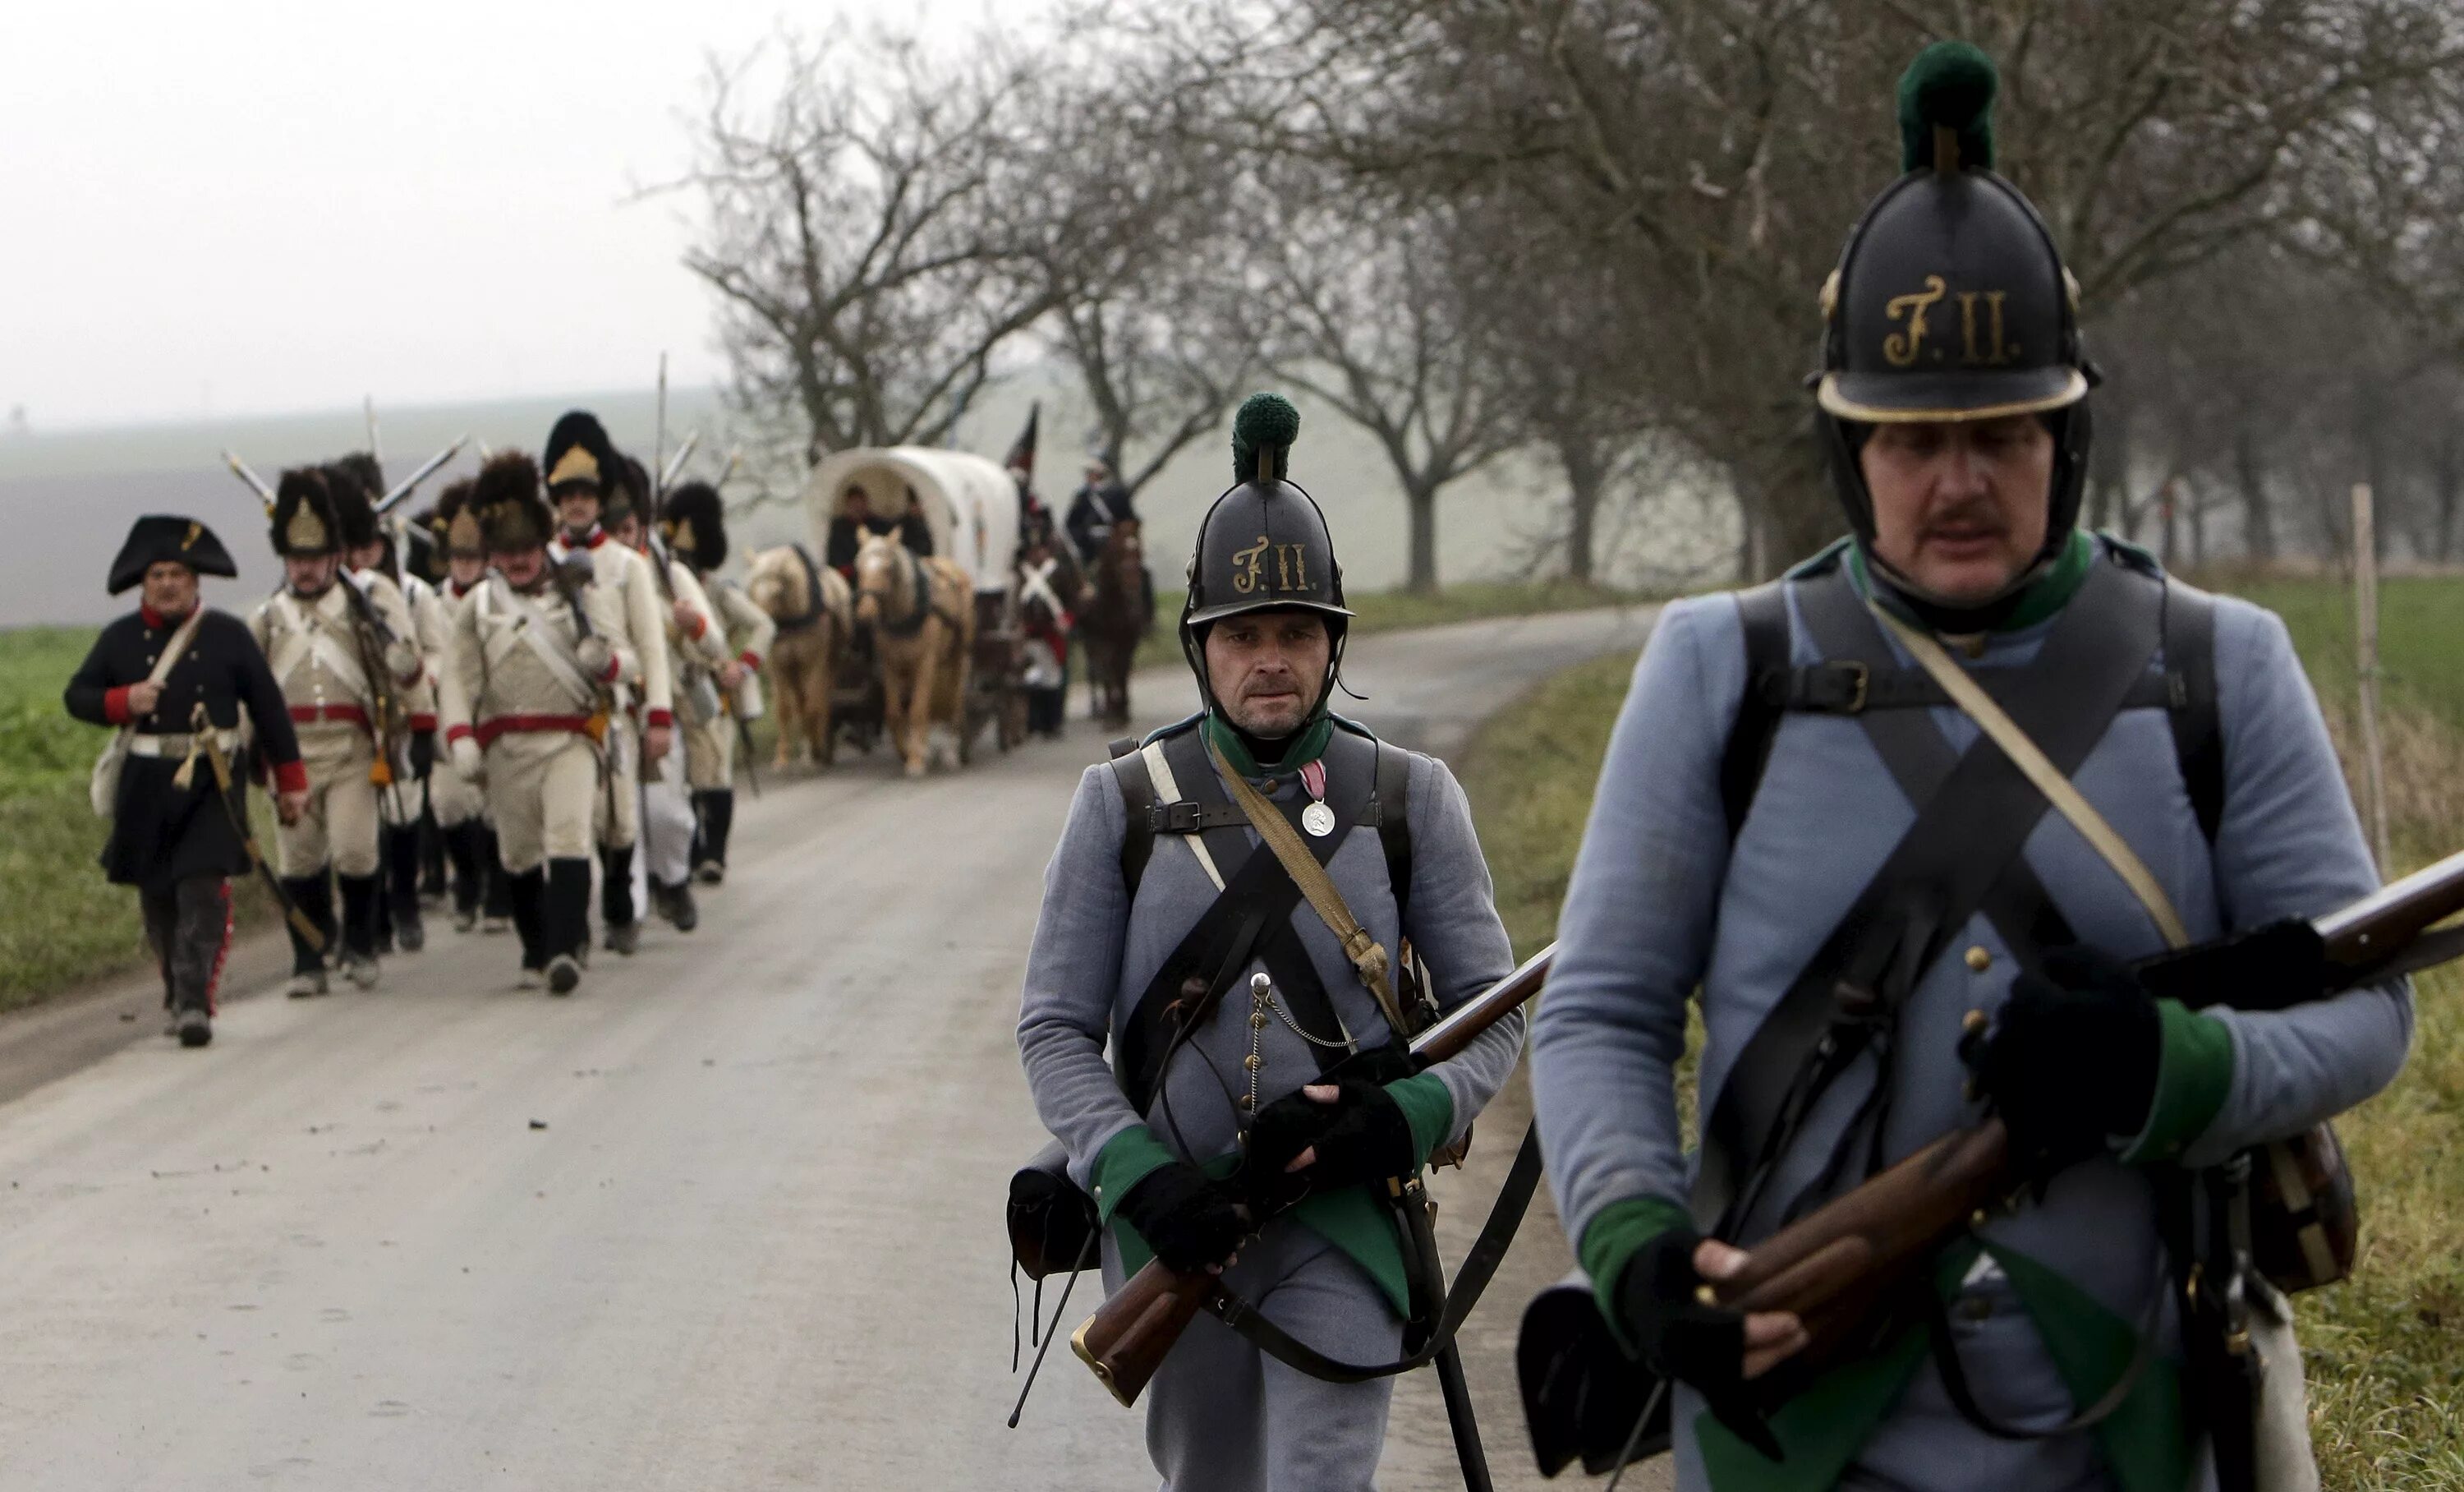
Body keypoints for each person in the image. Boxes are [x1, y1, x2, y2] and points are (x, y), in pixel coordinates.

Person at [1523, 44, 2413, 1491]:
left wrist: (2169, 1067)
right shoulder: (1719, 666)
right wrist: (1631, 1243)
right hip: (1789, 1420)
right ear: (1847, 448)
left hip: (2126, 1421)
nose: (1956, 481)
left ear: (2066, 441)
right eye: (1912, 439)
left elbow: (2365, 1013)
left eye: (2001, 434)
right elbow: (1606, 1010)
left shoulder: (2222, 665)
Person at [1018, 394, 1526, 1491]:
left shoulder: (1410, 800)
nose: (1271, 659)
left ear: (1333, 641)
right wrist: (1138, 1177)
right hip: (1172, 1229)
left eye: (1296, 632)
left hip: (1346, 1220)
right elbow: (1055, 1031)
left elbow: (1494, 1008)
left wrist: (1409, 1114)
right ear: (1202, 648)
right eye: (1243, 636)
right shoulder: (1121, 803)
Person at [64, 516, 307, 1048]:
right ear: (144, 583)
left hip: (213, 782)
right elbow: (77, 696)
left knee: (203, 886)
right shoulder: (119, 639)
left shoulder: (228, 635)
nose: (168, 583)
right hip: (146, 785)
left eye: (178, 573)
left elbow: (269, 711)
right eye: (158, 575)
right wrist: (120, 701)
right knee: (158, 897)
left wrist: (290, 782)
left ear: (196, 580)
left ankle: (196, 999)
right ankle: (176, 990)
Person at [439, 450, 638, 995]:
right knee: (519, 854)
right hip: (505, 748)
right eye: (507, 552)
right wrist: (460, 738)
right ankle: (535, 946)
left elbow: (629, 658)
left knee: (569, 837)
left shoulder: (580, 591)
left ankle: (564, 949)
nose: (520, 561)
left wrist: (608, 663)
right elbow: (456, 680)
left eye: (527, 550)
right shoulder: (476, 608)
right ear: (493, 556)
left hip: (571, 739)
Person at [249, 468, 422, 996]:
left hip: (353, 752)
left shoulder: (363, 609)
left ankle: (362, 946)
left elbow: (403, 669)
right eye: (296, 560)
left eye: (314, 558)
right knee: (299, 860)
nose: (304, 570)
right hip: (291, 759)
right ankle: (309, 957)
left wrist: (420, 728)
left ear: (334, 556)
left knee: (354, 851)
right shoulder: (267, 620)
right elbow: (248, 694)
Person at [540, 412, 673, 958]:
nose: (576, 504)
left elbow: (651, 648)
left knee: (619, 823)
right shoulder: (538, 564)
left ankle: (620, 903)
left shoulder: (626, 566)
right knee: (573, 826)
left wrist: (658, 715)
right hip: (561, 715)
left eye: (585, 494)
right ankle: (570, 930)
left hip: (614, 710)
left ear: (599, 499)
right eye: (566, 494)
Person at [608, 458, 728, 929]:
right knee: (622, 819)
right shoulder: (592, 576)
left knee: (664, 814)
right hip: (614, 713)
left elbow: (715, 644)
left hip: (664, 708)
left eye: (627, 527)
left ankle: (673, 880)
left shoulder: (671, 576)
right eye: (612, 528)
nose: (621, 537)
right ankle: (629, 909)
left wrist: (692, 623)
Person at [329, 454, 435, 956]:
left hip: (387, 716)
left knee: (402, 813)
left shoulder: (388, 588)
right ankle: (368, 924)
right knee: (355, 836)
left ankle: (405, 904)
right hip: (342, 725)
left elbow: (410, 654)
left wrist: (421, 720)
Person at [660, 479, 775, 885]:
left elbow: (762, 625)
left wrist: (742, 667)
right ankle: (689, 853)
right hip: (674, 689)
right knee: (681, 779)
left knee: (714, 774)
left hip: (713, 690)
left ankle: (715, 855)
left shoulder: (720, 593)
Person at [418, 479, 508, 934]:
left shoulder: (501, 602)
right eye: (459, 558)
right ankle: (467, 880)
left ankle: (498, 890)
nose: (466, 566)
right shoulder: (430, 603)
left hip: (493, 713)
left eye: (474, 558)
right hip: (447, 716)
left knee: (495, 806)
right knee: (449, 803)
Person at [824, 482, 932, 577]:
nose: (858, 508)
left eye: (860, 503)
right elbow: (836, 562)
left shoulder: (878, 525)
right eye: (854, 504)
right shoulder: (839, 529)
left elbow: (898, 533)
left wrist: (912, 515)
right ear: (847, 505)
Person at [1063, 455, 1135, 566]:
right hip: (1090, 545)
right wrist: (1084, 541)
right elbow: (1072, 524)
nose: (1087, 476)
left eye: (1090, 472)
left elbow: (1128, 519)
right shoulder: (1082, 497)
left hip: (1115, 541)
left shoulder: (1117, 494)